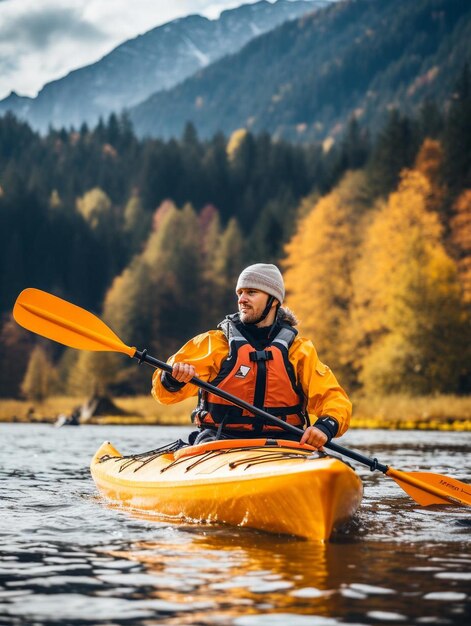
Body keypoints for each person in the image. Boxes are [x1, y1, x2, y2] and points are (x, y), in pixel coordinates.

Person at [152, 263, 351, 448]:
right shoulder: (215, 343)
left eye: (251, 292)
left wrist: (325, 427)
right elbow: (163, 394)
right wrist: (172, 379)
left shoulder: (298, 350)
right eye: (240, 293)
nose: (241, 299)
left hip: (284, 444)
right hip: (220, 441)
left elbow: (334, 399)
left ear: (273, 301)